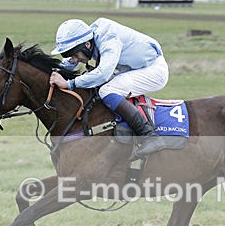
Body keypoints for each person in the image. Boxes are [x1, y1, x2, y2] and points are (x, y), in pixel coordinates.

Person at [49, 18, 168, 159]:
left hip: (153, 70)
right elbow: (69, 64)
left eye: (75, 55)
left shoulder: (108, 40)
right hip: (136, 67)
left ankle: (149, 136)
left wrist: (70, 84)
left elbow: (103, 74)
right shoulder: (90, 39)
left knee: (107, 90)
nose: (75, 60)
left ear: (87, 44)